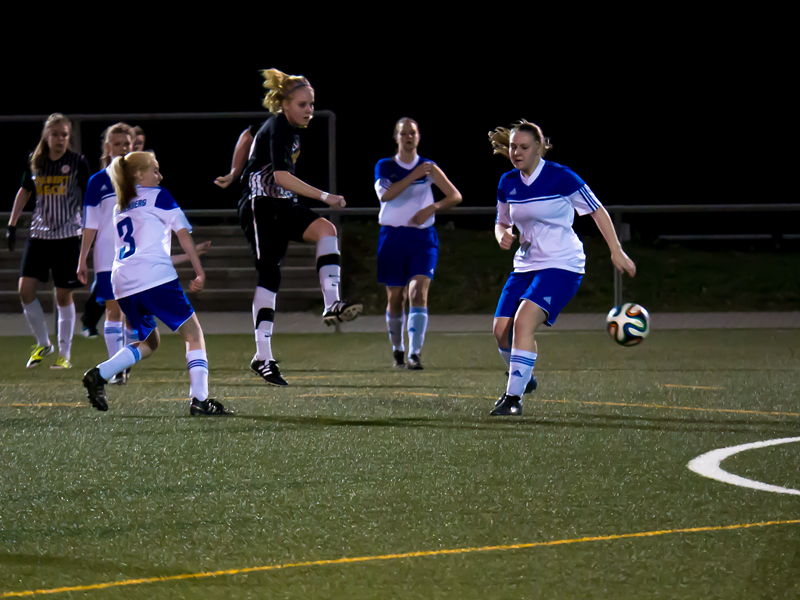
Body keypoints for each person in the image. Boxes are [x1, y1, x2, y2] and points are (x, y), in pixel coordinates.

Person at [488, 120, 636, 416]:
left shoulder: (561, 177)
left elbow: (597, 210)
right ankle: (523, 378)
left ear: (539, 149)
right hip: (526, 264)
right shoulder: (508, 182)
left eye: (523, 147)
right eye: (513, 146)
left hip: (562, 263)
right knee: (500, 331)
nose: (516, 152)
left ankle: (512, 399)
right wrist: (501, 234)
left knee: (523, 322)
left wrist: (616, 250)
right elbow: (502, 220)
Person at [81, 151, 230, 416]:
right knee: (193, 334)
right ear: (139, 174)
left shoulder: (121, 205)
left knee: (150, 342)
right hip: (154, 279)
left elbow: (145, 250)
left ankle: (100, 373)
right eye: (155, 170)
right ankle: (200, 400)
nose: (160, 176)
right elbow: (182, 234)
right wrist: (199, 270)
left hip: (124, 282)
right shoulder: (160, 196)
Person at [239, 68, 362, 386]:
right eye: (303, 104)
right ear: (285, 104)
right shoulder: (279, 124)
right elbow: (279, 177)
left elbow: (249, 141)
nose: (309, 110)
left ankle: (331, 302)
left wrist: (233, 170)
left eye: (311, 104)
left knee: (326, 231)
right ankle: (262, 356)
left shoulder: (288, 131)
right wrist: (326, 196)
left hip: (281, 204)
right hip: (260, 205)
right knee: (270, 275)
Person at [374, 118, 462, 369]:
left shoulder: (429, 167)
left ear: (419, 136)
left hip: (422, 237)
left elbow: (455, 195)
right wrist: (414, 175)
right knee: (396, 298)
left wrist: (431, 208)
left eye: (412, 133)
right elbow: (386, 195)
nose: (408, 137)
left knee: (418, 291)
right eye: (403, 134)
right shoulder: (385, 166)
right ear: (396, 138)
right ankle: (397, 349)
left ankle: (414, 354)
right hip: (392, 237)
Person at [6, 113, 91, 369]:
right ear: (46, 136)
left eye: (64, 135)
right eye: (55, 134)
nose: (60, 139)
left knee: (63, 295)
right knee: (25, 290)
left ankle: (64, 354)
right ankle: (43, 342)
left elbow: (90, 197)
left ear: (69, 137)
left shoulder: (77, 162)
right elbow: (25, 191)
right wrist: (12, 224)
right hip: (39, 235)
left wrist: (91, 231)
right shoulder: (36, 161)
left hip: (68, 236)